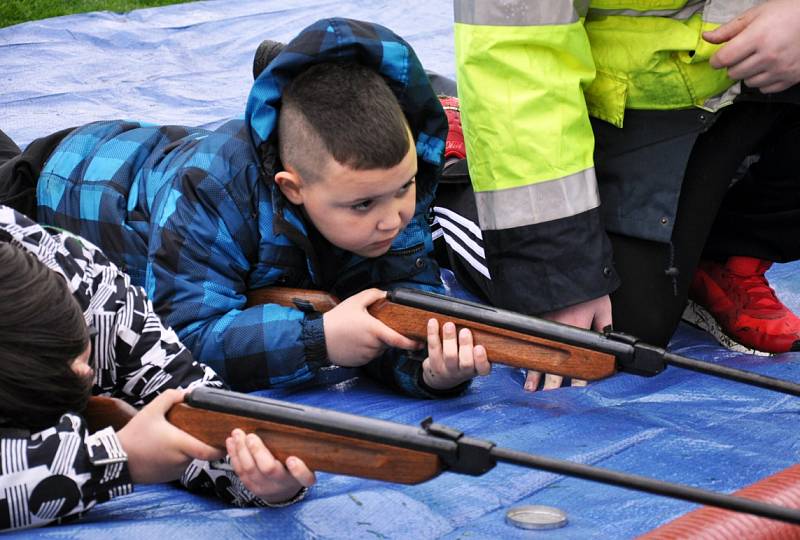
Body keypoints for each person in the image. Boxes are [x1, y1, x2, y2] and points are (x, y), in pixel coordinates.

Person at [0, 18, 490, 398]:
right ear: (292, 187)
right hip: (56, 184)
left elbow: (390, 313)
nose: (393, 219)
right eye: (362, 204)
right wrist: (317, 339)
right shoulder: (212, 192)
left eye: (405, 188)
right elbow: (180, 339)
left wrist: (429, 371)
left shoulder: (388, 199)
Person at [433, 0, 800, 391]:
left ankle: (722, 251)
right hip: (619, 105)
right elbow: (515, 60)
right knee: (615, 336)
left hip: (763, 76)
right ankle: (449, 178)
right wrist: (554, 271)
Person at [0, 205, 316, 531]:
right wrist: (114, 460)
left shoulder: (89, 284)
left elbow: (186, 396)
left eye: (85, 359)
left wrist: (256, 473)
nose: (84, 374)